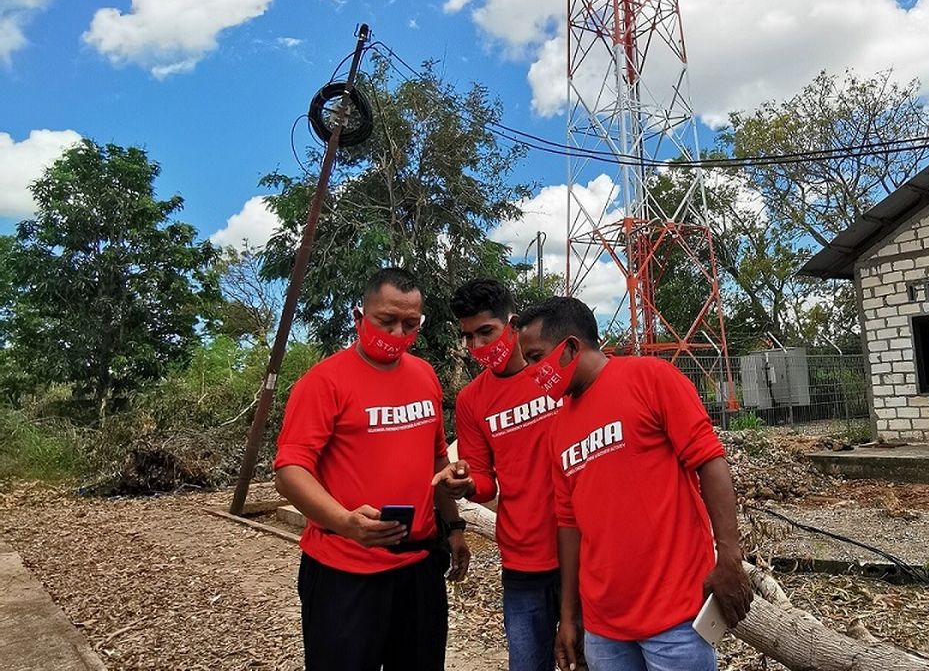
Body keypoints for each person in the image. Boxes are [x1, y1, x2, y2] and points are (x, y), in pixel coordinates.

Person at [516, 296, 753, 671]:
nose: (529, 371)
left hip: (675, 619)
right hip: (604, 629)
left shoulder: (651, 378)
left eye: (534, 357)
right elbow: (569, 523)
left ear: (571, 347)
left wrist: (730, 557)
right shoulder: (558, 428)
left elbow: (709, 460)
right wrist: (570, 615)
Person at [274, 267, 471, 671]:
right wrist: (345, 522)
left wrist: (453, 528)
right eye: (387, 321)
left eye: (410, 323)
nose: (399, 333)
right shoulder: (324, 382)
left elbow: (436, 458)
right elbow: (290, 470)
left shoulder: (424, 375)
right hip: (344, 570)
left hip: (418, 566)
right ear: (359, 318)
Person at [433, 279, 563, 671]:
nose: (476, 347)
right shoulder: (472, 400)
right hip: (524, 558)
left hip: (588, 553)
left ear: (513, 323)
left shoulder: (557, 373)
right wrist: (467, 484)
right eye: (468, 337)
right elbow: (485, 479)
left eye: (485, 332)